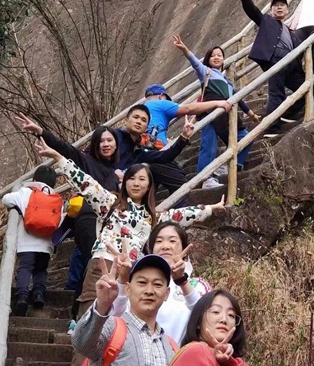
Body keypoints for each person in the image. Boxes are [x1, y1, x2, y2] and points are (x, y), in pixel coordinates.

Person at [34, 132, 224, 323]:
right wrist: (59, 158)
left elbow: (179, 215)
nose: (136, 183)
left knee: (122, 326)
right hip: (104, 265)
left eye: (142, 179)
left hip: (131, 274)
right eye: (132, 178)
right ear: (125, 182)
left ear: (150, 185)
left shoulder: (152, 218)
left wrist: (211, 208)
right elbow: (86, 183)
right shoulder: (110, 203)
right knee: (91, 323)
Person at [15, 115, 122, 315]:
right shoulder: (86, 160)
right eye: (101, 141)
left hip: (105, 224)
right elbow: (66, 149)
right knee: (96, 261)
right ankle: (81, 315)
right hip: (88, 218)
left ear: (116, 143)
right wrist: (40, 132)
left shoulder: (113, 172)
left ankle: (81, 313)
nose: (106, 144)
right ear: (95, 144)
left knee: (95, 263)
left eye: (110, 140)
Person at [173, 35, 260, 188]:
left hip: (226, 117)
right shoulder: (205, 72)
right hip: (210, 114)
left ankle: (232, 166)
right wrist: (183, 48)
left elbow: (238, 99)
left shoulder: (227, 82)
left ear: (223, 59)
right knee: (209, 145)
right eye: (213, 55)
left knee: (246, 137)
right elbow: (194, 61)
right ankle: (205, 179)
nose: (216, 57)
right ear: (208, 59)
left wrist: (251, 114)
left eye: (219, 55)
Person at [110, 221, 211, 344]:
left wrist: (182, 281)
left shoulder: (197, 285)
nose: (165, 246)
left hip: (178, 359)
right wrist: (122, 279)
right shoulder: (137, 283)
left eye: (172, 241)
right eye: (159, 241)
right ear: (151, 249)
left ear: (185, 249)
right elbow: (112, 318)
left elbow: (207, 319)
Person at [232, 0, 303, 138]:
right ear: (271, 10)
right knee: (276, 93)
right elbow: (252, 10)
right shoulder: (266, 21)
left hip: (292, 64)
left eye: (282, 6)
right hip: (276, 60)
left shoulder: (290, 31)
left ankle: (285, 114)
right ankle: (272, 128)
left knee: (308, 88)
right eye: (276, 6)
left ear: (287, 11)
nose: (279, 8)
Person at [2, 165, 64, 316]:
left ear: (35, 179)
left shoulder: (26, 192)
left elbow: (6, 199)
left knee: (25, 269)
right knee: (40, 270)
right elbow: (59, 221)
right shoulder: (56, 198)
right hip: (45, 244)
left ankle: (22, 297)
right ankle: (38, 294)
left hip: (26, 242)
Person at [114, 105, 192, 205]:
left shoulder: (139, 151)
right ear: (126, 121)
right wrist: (112, 174)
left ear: (146, 128)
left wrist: (184, 137)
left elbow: (165, 156)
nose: (139, 121)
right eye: (136, 117)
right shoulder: (113, 137)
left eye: (143, 120)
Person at [143, 83, 232, 148]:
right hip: (156, 147)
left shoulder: (140, 109)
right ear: (161, 96)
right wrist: (217, 103)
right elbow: (188, 109)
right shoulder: (161, 103)